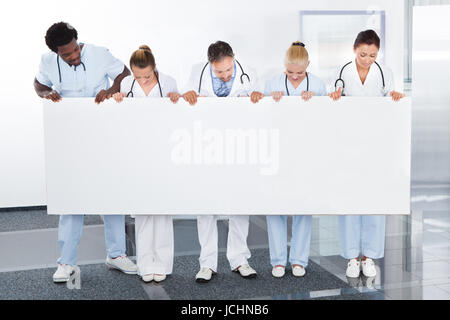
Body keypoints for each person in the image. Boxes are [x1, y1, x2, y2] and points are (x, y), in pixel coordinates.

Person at [34, 22, 137, 283]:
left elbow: (124, 73)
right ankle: (66, 263)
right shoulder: (47, 62)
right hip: (69, 139)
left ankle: (116, 255)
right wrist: (47, 92)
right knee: (71, 198)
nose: (73, 56)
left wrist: (111, 90)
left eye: (74, 50)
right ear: (56, 52)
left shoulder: (99, 53)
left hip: (104, 134)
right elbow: (38, 84)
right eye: (66, 54)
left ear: (77, 41)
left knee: (111, 194)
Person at [182, 41, 263, 282]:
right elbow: (187, 105)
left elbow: (259, 109)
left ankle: (239, 260)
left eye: (229, 70)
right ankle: (207, 263)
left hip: (239, 145)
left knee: (239, 203)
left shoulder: (250, 72)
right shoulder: (197, 72)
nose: (226, 76)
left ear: (234, 58)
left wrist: (258, 96)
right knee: (205, 207)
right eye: (219, 72)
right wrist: (188, 96)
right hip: (207, 145)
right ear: (209, 65)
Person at [328, 30, 405, 278]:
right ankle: (352, 257)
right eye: (363, 54)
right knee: (349, 200)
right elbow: (332, 103)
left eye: (372, 55)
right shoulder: (341, 73)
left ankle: (369, 256)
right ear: (354, 50)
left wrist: (394, 97)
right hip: (348, 146)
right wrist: (335, 97)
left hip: (375, 147)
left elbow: (390, 107)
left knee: (374, 200)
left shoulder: (385, 73)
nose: (367, 59)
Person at [113, 45, 179, 283]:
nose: (141, 80)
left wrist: (176, 100)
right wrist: (118, 100)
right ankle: (145, 263)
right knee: (142, 212)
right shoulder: (126, 85)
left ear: (155, 68)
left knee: (161, 211)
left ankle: (161, 262)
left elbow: (179, 117)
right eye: (137, 76)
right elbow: (121, 120)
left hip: (163, 151)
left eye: (147, 76)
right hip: (137, 152)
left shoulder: (169, 82)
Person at [264, 41, 326, 278]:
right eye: (290, 72)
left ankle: (299, 260)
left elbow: (326, 118)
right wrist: (272, 99)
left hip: (306, 152)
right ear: (284, 67)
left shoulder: (318, 84)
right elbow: (261, 115)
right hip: (278, 151)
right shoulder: (273, 83)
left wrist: (317, 102)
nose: (295, 77)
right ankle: (278, 261)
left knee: (303, 206)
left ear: (308, 66)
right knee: (275, 207)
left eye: (300, 73)